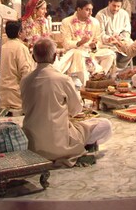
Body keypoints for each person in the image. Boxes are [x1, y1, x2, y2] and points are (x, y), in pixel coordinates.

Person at [20, 37, 112, 167]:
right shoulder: (63, 79)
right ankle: (81, 147)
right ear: (54, 57)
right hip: (60, 144)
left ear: (34, 58)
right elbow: (76, 110)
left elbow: (25, 108)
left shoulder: (25, 80)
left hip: (32, 146)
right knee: (105, 124)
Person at [58, 0, 115, 83]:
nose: (91, 13)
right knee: (80, 54)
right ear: (78, 9)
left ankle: (98, 77)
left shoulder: (95, 22)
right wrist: (80, 42)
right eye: (87, 10)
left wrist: (94, 46)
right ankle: (85, 84)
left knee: (110, 54)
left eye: (91, 10)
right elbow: (66, 44)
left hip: (91, 52)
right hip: (74, 52)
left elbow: (98, 41)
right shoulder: (67, 22)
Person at [0, 20, 35, 113]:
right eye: (23, 30)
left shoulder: (1, 47)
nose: (26, 31)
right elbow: (26, 73)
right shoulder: (21, 48)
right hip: (16, 97)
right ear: (19, 33)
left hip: (0, 97)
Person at [96, 0, 132, 66]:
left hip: (120, 41)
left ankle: (119, 67)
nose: (116, 8)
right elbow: (100, 33)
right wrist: (109, 38)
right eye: (114, 5)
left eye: (118, 6)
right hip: (106, 43)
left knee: (132, 47)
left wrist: (120, 38)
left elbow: (127, 31)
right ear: (109, 3)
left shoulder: (124, 14)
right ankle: (112, 68)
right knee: (110, 53)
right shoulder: (101, 15)